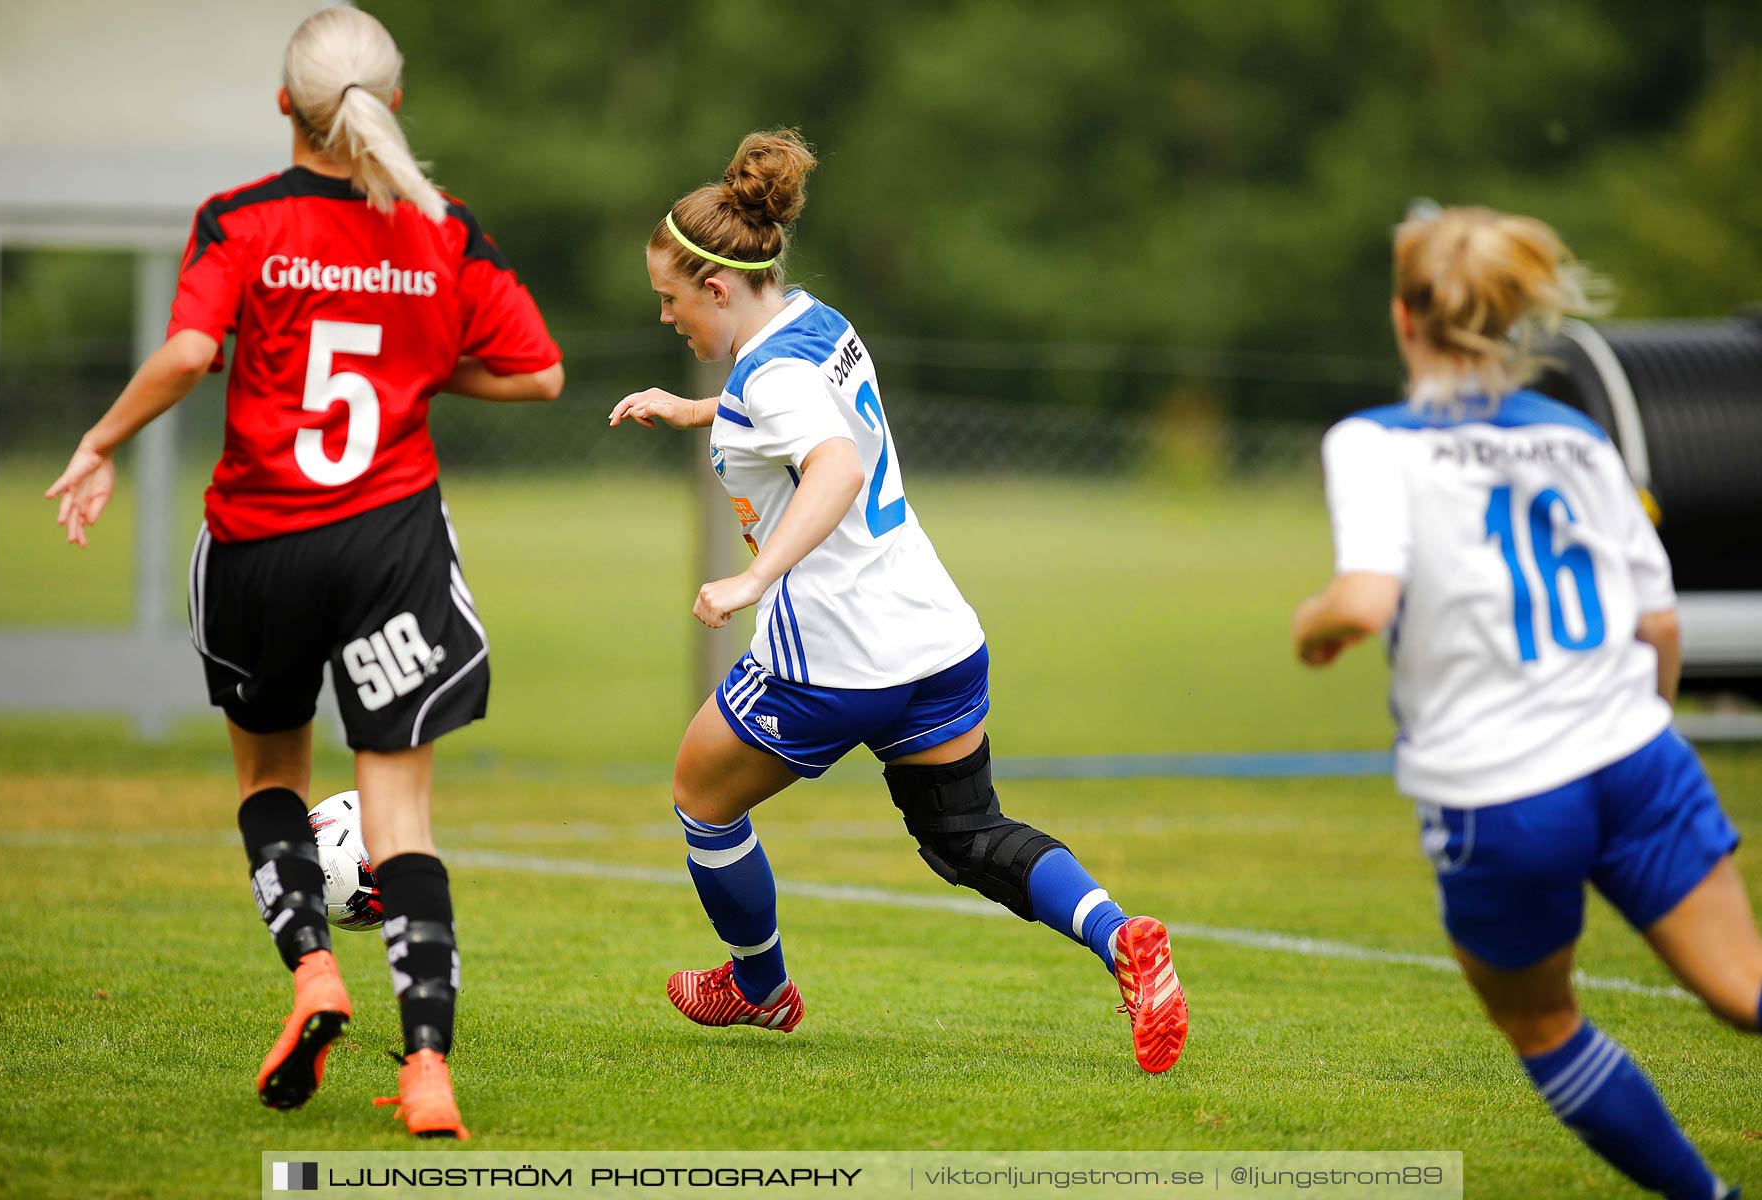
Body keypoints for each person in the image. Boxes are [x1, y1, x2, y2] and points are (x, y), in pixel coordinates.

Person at [44, 7, 562, 1139]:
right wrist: (411, 374)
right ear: (395, 104)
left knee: (271, 777)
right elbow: (540, 376)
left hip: (261, 543)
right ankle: (427, 1070)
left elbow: (189, 351)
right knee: (401, 812)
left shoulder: (242, 219)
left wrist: (99, 445)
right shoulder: (444, 230)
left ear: (286, 105)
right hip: (389, 546)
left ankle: (314, 976)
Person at [608, 129, 1187, 1073]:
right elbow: (802, 414)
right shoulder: (819, 324)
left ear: (717, 288)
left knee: (700, 797)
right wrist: (695, 409)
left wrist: (755, 578)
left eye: (669, 300)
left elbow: (830, 461)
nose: (667, 318)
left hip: (833, 657)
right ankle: (1121, 938)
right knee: (967, 834)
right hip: (934, 636)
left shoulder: (770, 373)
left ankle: (758, 988)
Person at [1291, 204, 1759, 1199]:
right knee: (1747, 990)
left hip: (1501, 788)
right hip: (1637, 755)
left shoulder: (1374, 443)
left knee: (1542, 1022)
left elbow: (1367, 598)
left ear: (1402, 320)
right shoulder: (1579, 436)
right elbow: (1660, 626)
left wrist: (1312, 627)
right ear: (1511, 322)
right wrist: (1648, 744)